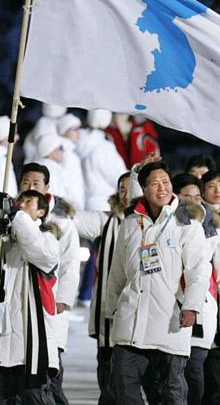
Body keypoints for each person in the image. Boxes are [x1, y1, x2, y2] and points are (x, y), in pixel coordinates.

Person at [105, 161, 209, 405]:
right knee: (123, 386)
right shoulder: (131, 223)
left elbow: (198, 270)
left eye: (166, 182)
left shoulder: (187, 223)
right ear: (143, 189)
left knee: (169, 393)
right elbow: (117, 271)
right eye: (154, 183)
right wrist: (112, 308)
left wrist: (192, 306)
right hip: (131, 320)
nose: (162, 188)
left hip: (169, 321)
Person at [0, 189, 61, 405]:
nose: (21, 204)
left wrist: (16, 215)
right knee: (1, 399)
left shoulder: (48, 240)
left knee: (35, 399)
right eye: (19, 201)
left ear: (41, 212)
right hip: (3, 343)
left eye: (28, 202)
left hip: (32, 345)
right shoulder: (6, 245)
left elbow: (38, 250)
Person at [172, 173, 220, 405]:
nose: (192, 201)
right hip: (168, 308)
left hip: (202, 311)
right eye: (185, 196)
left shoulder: (214, 232)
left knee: (194, 369)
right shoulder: (166, 228)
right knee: (171, 371)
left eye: (196, 196)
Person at [16, 163, 81, 405]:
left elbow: (70, 264)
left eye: (36, 184)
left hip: (48, 305)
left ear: (47, 187)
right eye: (25, 183)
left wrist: (63, 298)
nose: (30, 188)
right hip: (18, 310)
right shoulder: (11, 214)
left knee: (48, 376)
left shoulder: (60, 221)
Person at [73, 172, 131, 405]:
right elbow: (72, 219)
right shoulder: (106, 221)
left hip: (141, 318)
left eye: (132, 187)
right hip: (108, 315)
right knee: (107, 379)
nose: (126, 194)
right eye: (122, 189)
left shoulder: (157, 223)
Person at [76, 109, 126, 212]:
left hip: (82, 203)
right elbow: (119, 177)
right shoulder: (105, 147)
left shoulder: (76, 142)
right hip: (104, 203)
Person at [56, 113, 85, 211]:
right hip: (69, 207)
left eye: (78, 128)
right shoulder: (63, 154)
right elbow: (67, 184)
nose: (78, 132)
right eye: (73, 128)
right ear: (64, 131)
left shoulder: (70, 153)